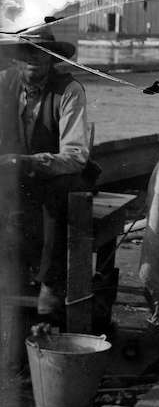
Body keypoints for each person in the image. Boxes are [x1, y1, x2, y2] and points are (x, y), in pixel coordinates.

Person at [0, 33, 91, 318]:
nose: (33, 58)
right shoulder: (4, 82)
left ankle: (50, 283)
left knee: (60, 191)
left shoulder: (69, 90)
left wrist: (27, 162)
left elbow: (75, 155)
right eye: (26, 51)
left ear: (52, 57)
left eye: (41, 52)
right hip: (16, 175)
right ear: (15, 56)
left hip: (57, 176)